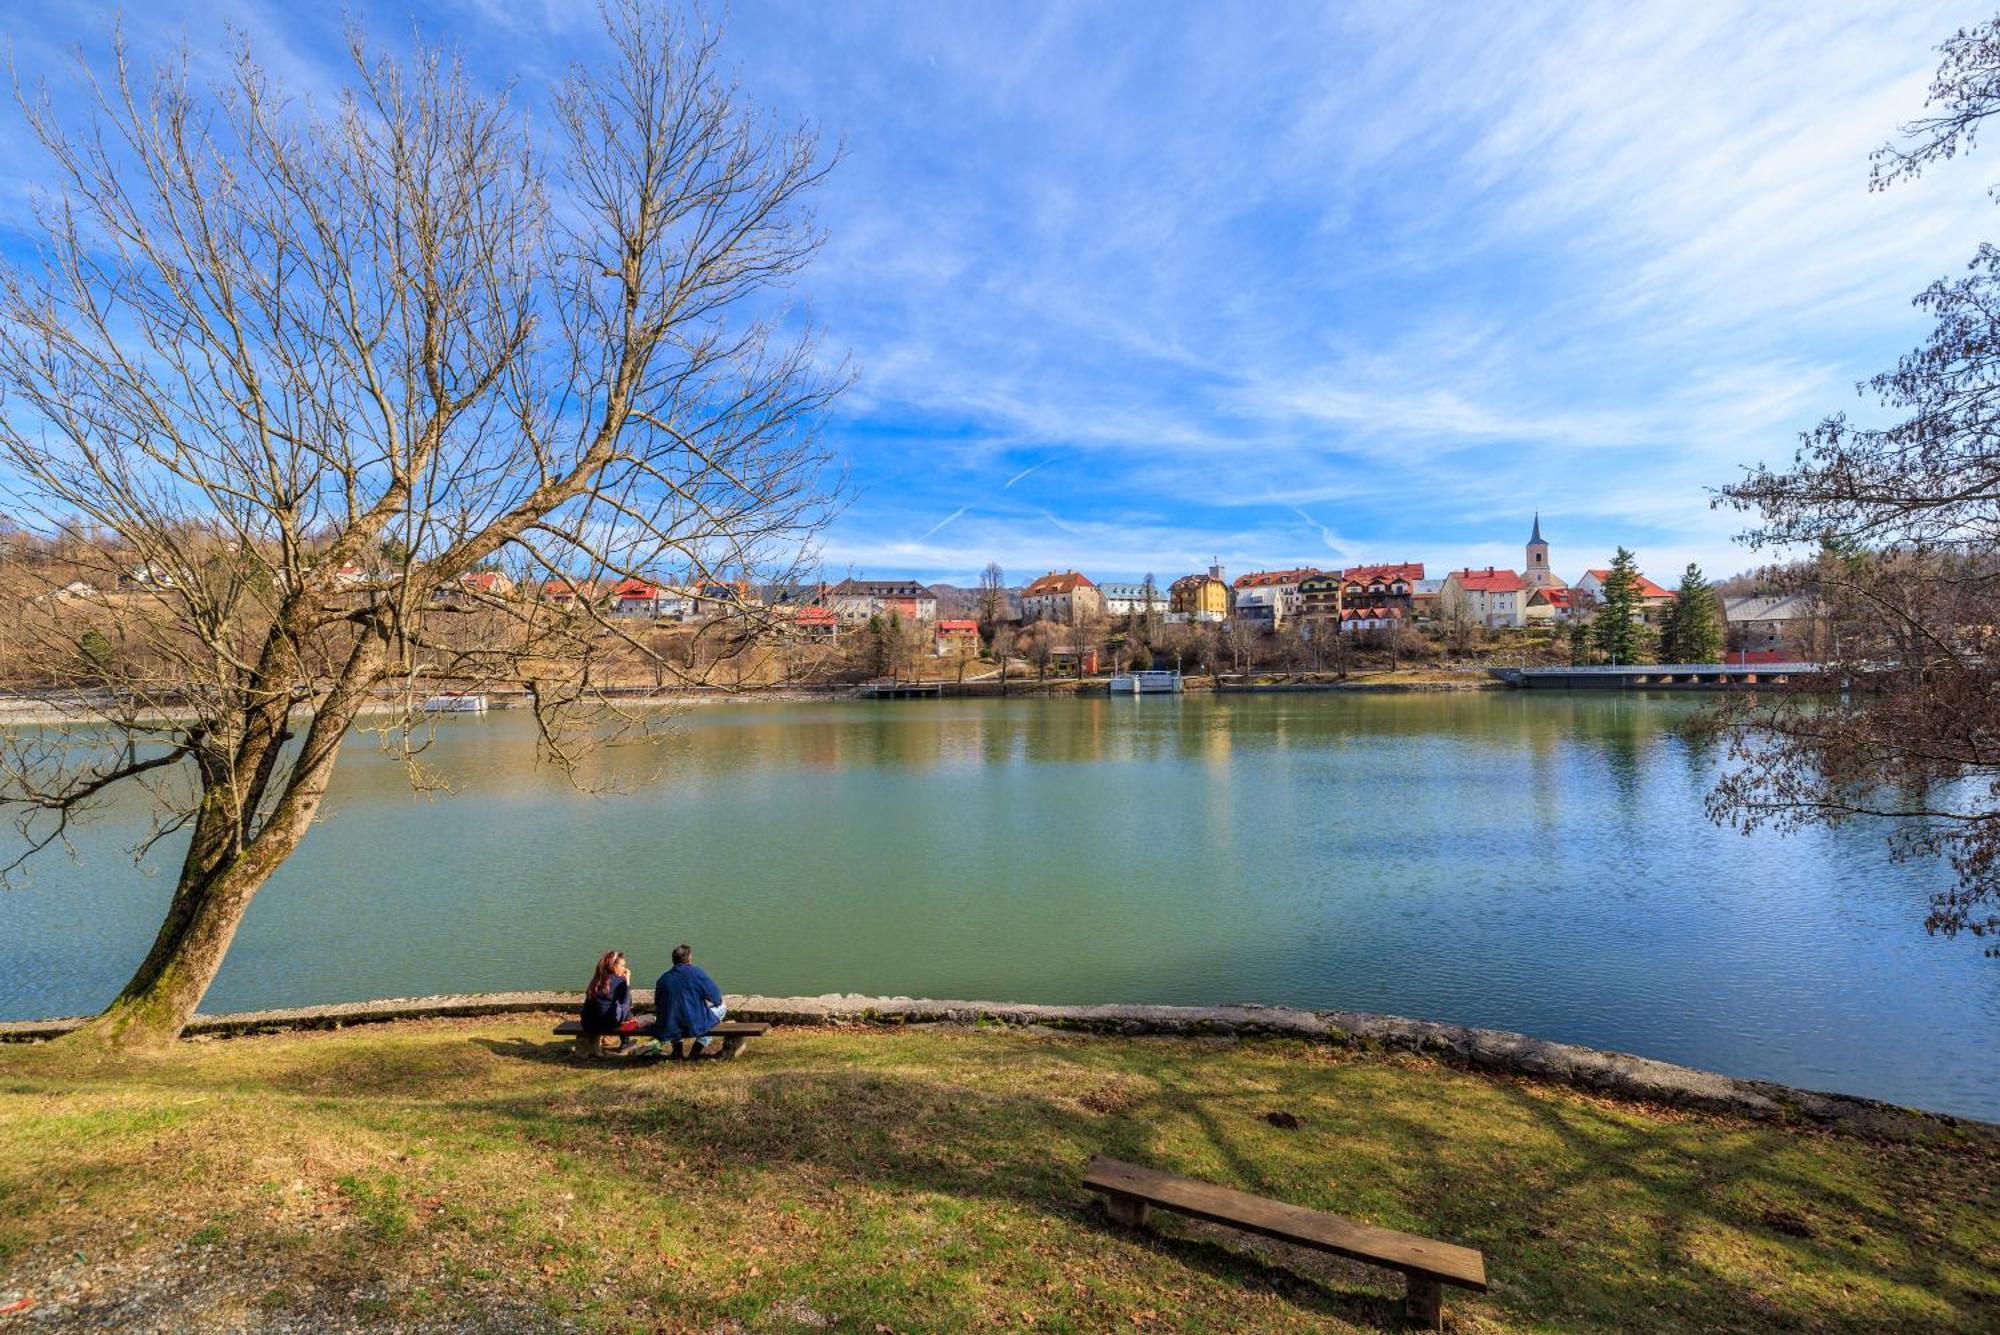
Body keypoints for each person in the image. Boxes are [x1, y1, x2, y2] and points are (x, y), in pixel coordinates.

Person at [651, 942, 726, 1057]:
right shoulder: (697, 973)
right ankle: (696, 1050)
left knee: (673, 1011)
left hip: (670, 1024)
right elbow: (716, 998)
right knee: (723, 1007)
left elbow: (658, 1004)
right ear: (689, 959)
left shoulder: (663, 979)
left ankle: (677, 1050)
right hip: (693, 1024)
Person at [580, 950, 637, 1045]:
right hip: (607, 1025)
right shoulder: (620, 981)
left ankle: (596, 1041)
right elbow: (625, 1003)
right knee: (628, 1011)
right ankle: (625, 1044)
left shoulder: (595, 980)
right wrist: (627, 981)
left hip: (588, 1024)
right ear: (613, 966)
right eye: (622, 966)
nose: (624, 969)